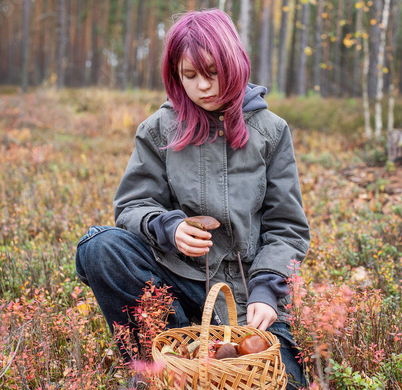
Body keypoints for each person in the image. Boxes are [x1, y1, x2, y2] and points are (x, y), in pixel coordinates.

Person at [75, 8, 310, 389]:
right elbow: (133, 207)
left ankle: (200, 364)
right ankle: (167, 362)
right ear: (175, 76)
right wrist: (170, 228)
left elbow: (287, 228)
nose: (203, 86)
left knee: (284, 382)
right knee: (100, 247)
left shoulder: (271, 132)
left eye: (213, 72)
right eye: (190, 75)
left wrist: (267, 291)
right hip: (178, 287)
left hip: (247, 297)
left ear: (234, 62)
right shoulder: (159, 129)